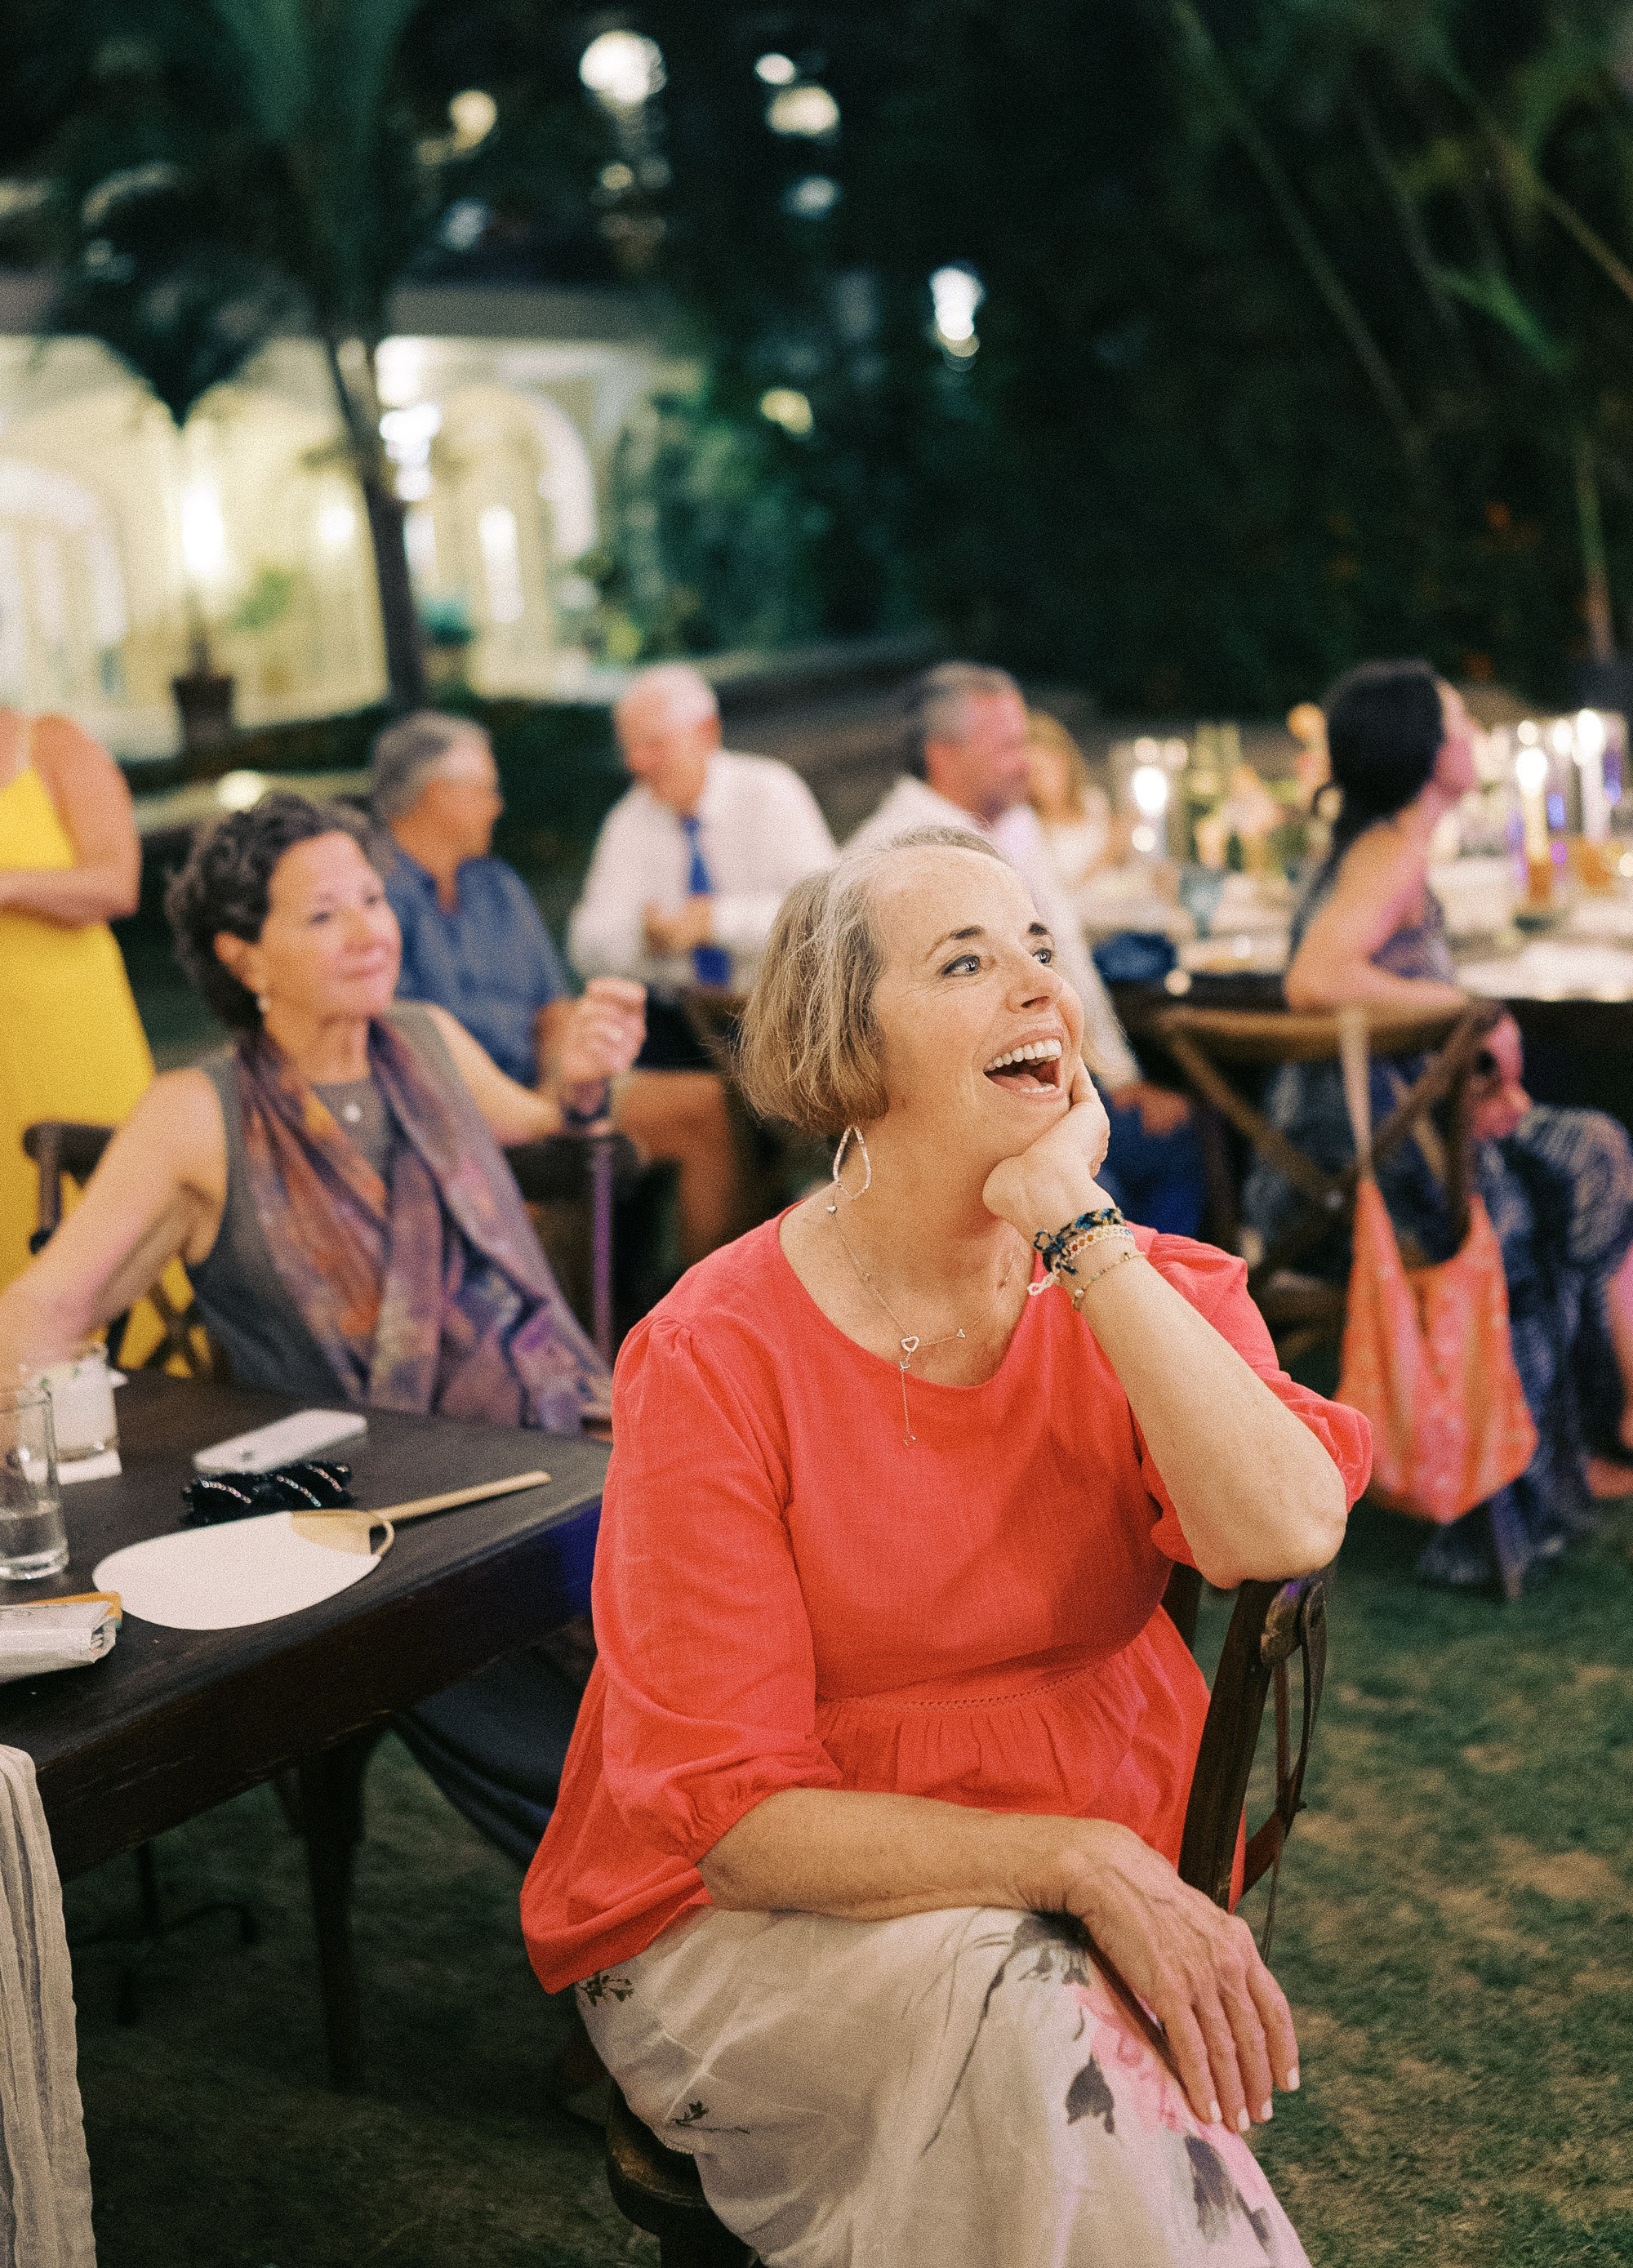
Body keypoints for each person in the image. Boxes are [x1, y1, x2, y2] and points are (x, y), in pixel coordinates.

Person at [523, 830, 1367, 2268]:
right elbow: (735, 1827)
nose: (1038, 987)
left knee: (1046, 2041)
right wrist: (1080, 1862)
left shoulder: (1139, 1286)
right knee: (1038, 2015)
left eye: (1040, 949)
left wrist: (1079, 1232)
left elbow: (1284, 1527)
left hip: (1093, 1869)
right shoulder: (716, 1356)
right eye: (966, 963)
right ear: (851, 1048)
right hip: (763, 1914)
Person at [0, 791, 644, 1861]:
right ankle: (643, 1886)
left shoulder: (429, 1041)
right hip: (396, 1514)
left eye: (371, 901)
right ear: (243, 956)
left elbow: (543, 1130)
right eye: (324, 915)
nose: (370, 931)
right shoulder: (196, 1113)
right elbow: (51, 1308)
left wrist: (578, 1086)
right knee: (619, 1664)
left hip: (568, 1426)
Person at [1246, 658, 1633, 1585]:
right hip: (1367, 1169)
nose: (1473, 736)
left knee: (1583, 1149)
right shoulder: (1390, 850)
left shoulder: (1375, 842)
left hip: (1357, 1146)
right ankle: (1593, 1426)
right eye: (1458, 721)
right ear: (1424, 752)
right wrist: (1469, 1013)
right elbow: (1316, 982)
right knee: (1592, 1153)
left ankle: (1582, 1428)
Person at [849, 664, 1206, 1237]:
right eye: (1010, 746)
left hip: (1052, 1076)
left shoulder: (1011, 824)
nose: (1027, 760)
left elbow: (1065, 955)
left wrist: (1118, 1077)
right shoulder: (897, 854)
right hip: (975, 1112)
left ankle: (1156, 1306)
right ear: (944, 756)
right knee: (1105, 1189)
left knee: (1188, 1136)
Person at [375, 711, 741, 1265]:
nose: (499, 805)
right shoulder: (372, 900)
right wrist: (530, 1112)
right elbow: (401, 1044)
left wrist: (559, 1089)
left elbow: (554, 1008)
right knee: (538, 1183)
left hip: (549, 1091)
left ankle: (697, 1322)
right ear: (437, 795)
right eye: (487, 790)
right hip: (448, 1117)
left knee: (706, 1107)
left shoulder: (496, 884)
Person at [568, 664, 838, 1071]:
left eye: (654, 745)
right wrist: (645, 939)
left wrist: (714, 923)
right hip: (684, 1025)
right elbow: (584, 944)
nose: (638, 763)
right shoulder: (628, 819)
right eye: (630, 748)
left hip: (786, 1011)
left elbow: (828, 914)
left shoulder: (770, 791)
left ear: (707, 733)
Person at [0, 709, 149, 1287]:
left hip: (68, 1029)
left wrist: (8, 885)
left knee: (104, 1217)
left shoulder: (50, 743)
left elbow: (117, 882)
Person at [1026, 708, 1115, 892]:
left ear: (1065, 763)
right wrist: (1109, 853)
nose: (1037, 782)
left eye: (1043, 770)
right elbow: (1053, 893)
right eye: (1030, 774)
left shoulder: (1093, 802)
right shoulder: (1026, 823)